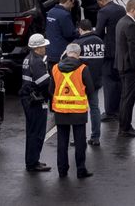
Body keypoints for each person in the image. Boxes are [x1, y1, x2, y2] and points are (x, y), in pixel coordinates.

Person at [47, 43, 94, 178]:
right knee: (80, 142)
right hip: (78, 111)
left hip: (60, 110)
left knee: (62, 141)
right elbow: (90, 89)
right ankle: (80, 169)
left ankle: (62, 170)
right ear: (78, 54)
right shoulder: (83, 69)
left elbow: (51, 90)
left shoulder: (55, 68)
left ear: (66, 53)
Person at [71, 20, 105, 146]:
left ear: (80, 29)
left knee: (79, 110)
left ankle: (79, 137)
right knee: (95, 108)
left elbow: (70, 61)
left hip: (80, 82)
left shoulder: (78, 43)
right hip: (96, 81)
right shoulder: (101, 42)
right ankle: (95, 137)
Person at [20, 33, 52, 172]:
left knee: (32, 131)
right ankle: (33, 163)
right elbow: (44, 82)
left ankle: (32, 160)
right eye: (43, 46)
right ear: (38, 48)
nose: (45, 48)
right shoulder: (37, 61)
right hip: (36, 101)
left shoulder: (28, 58)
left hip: (28, 98)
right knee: (37, 133)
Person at [114, 0, 135, 137]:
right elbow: (134, 48)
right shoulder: (131, 25)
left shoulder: (121, 22)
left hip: (121, 65)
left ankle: (123, 125)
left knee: (124, 97)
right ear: (132, 9)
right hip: (130, 67)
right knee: (129, 99)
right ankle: (125, 128)